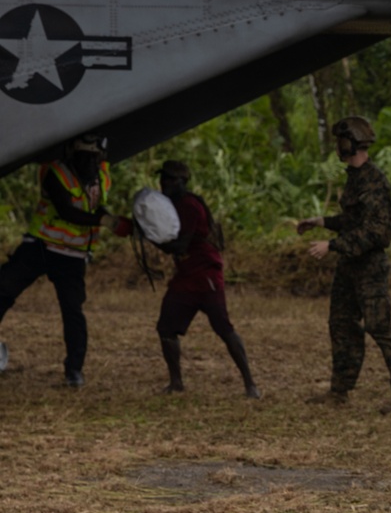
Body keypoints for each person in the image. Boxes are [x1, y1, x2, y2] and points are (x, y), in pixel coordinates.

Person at [297, 116, 391, 415]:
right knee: (341, 326)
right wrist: (321, 223)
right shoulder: (354, 177)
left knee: (380, 326)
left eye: (340, 141)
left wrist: (332, 245)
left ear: (351, 143)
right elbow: (353, 222)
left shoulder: (375, 180)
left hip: (369, 269)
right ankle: (340, 390)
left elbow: (378, 232)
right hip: (349, 267)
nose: (337, 147)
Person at [0, 133, 132, 387]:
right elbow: (66, 211)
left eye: (92, 158)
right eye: (82, 157)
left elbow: (96, 206)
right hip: (40, 245)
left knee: (72, 310)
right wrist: (104, 222)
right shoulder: (56, 173)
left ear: (100, 158)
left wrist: (111, 218)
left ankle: (74, 370)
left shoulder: (102, 176)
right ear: (72, 154)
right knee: (3, 289)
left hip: (72, 254)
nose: (88, 163)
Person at [154, 160, 260, 398]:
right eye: (163, 178)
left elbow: (179, 245)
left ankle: (250, 384)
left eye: (170, 179)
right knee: (166, 328)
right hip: (186, 276)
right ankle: (176, 383)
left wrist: (150, 236)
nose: (164, 183)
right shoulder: (176, 205)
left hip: (205, 276)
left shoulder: (189, 206)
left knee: (223, 327)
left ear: (182, 182)